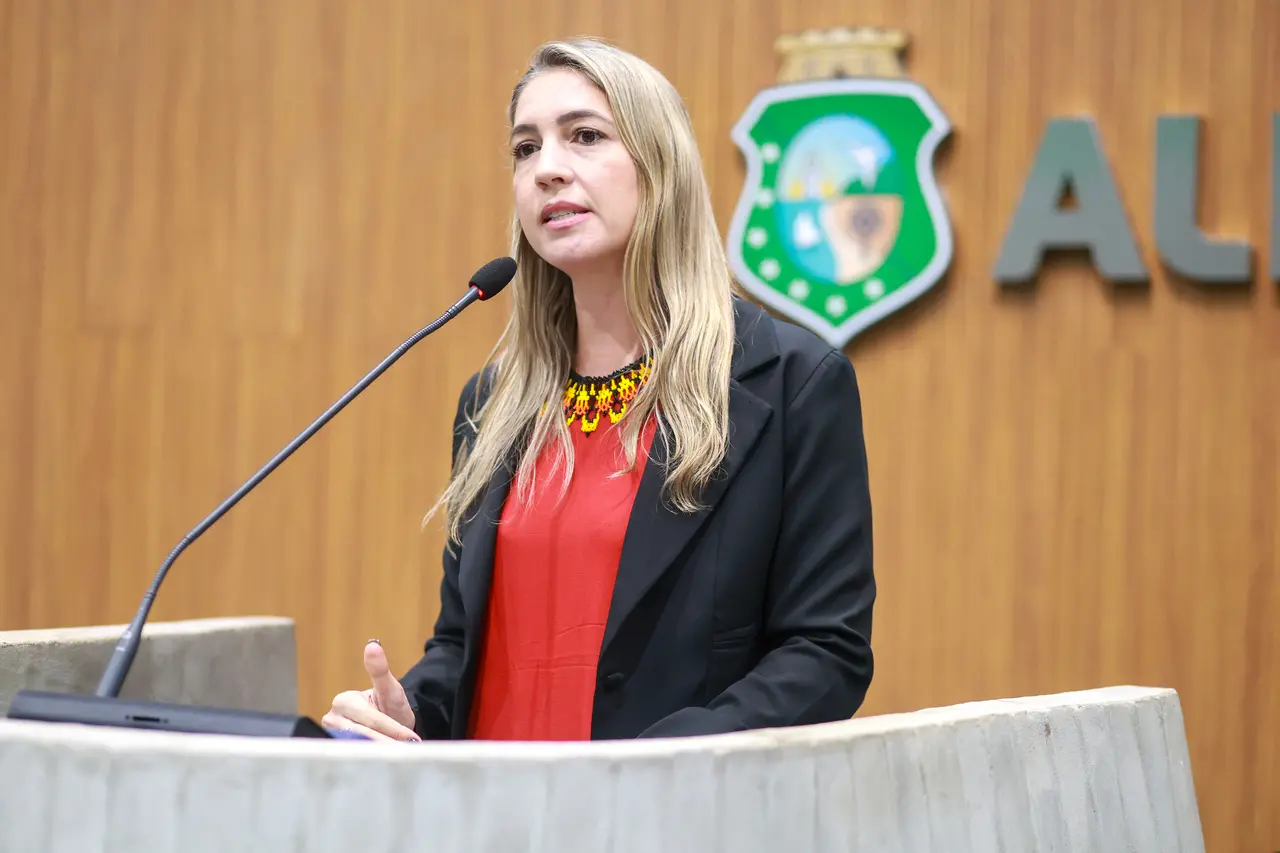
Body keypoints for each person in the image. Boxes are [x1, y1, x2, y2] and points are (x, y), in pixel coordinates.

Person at [322, 37, 876, 742]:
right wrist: (410, 712)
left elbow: (826, 653)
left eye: (584, 136)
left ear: (661, 165)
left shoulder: (793, 384)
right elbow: (464, 648)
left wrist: (654, 769)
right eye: (526, 149)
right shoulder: (492, 406)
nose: (547, 169)